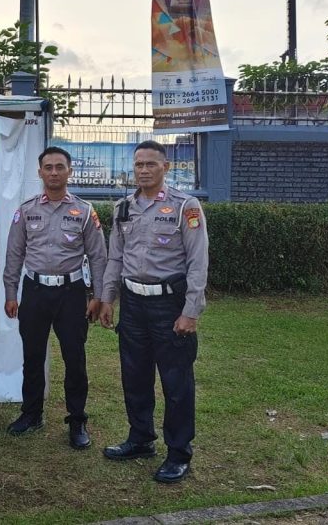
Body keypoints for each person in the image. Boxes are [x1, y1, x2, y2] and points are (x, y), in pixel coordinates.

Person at [99, 140, 209, 484]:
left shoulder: (184, 207)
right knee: (134, 375)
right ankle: (140, 438)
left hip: (168, 305)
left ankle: (178, 453)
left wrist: (190, 311)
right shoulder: (123, 208)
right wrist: (108, 298)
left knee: (176, 383)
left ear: (166, 168)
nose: (143, 170)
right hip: (133, 304)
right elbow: (115, 256)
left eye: (150, 164)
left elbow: (197, 261)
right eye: (138, 165)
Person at [2, 146, 107, 448]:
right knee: (32, 356)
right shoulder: (26, 209)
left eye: (60, 167)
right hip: (34, 292)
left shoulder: (84, 211)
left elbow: (98, 256)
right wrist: (11, 292)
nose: (54, 172)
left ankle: (77, 422)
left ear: (69, 171)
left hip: (70, 294)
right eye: (48, 167)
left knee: (75, 359)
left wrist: (98, 295)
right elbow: (14, 254)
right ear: (40, 172)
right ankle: (31, 414)